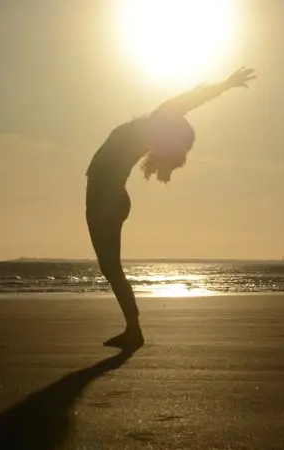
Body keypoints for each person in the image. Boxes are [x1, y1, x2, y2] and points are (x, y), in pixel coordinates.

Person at [85, 67, 257, 350]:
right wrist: (224, 86)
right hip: (110, 198)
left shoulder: (154, 124)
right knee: (110, 267)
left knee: (111, 268)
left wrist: (224, 86)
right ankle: (133, 328)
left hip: (105, 199)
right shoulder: (148, 133)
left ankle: (134, 329)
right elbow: (187, 101)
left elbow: (189, 99)